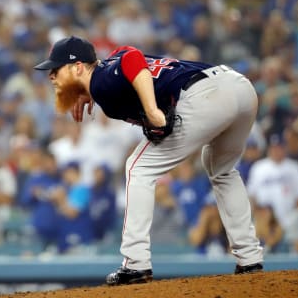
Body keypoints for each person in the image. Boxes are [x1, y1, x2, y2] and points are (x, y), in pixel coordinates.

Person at [34, 36, 263, 285]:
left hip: (204, 96)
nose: (51, 76)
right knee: (222, 170)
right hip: (239, 88)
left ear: (78, 67)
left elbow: (132, 59)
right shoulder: (104, 75)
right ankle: (250, 258)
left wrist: (152, 109)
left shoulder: (101, 82)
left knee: (138, 168)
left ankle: (135, 264)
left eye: (56, 69)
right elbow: (127, 51)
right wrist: (86, 92)